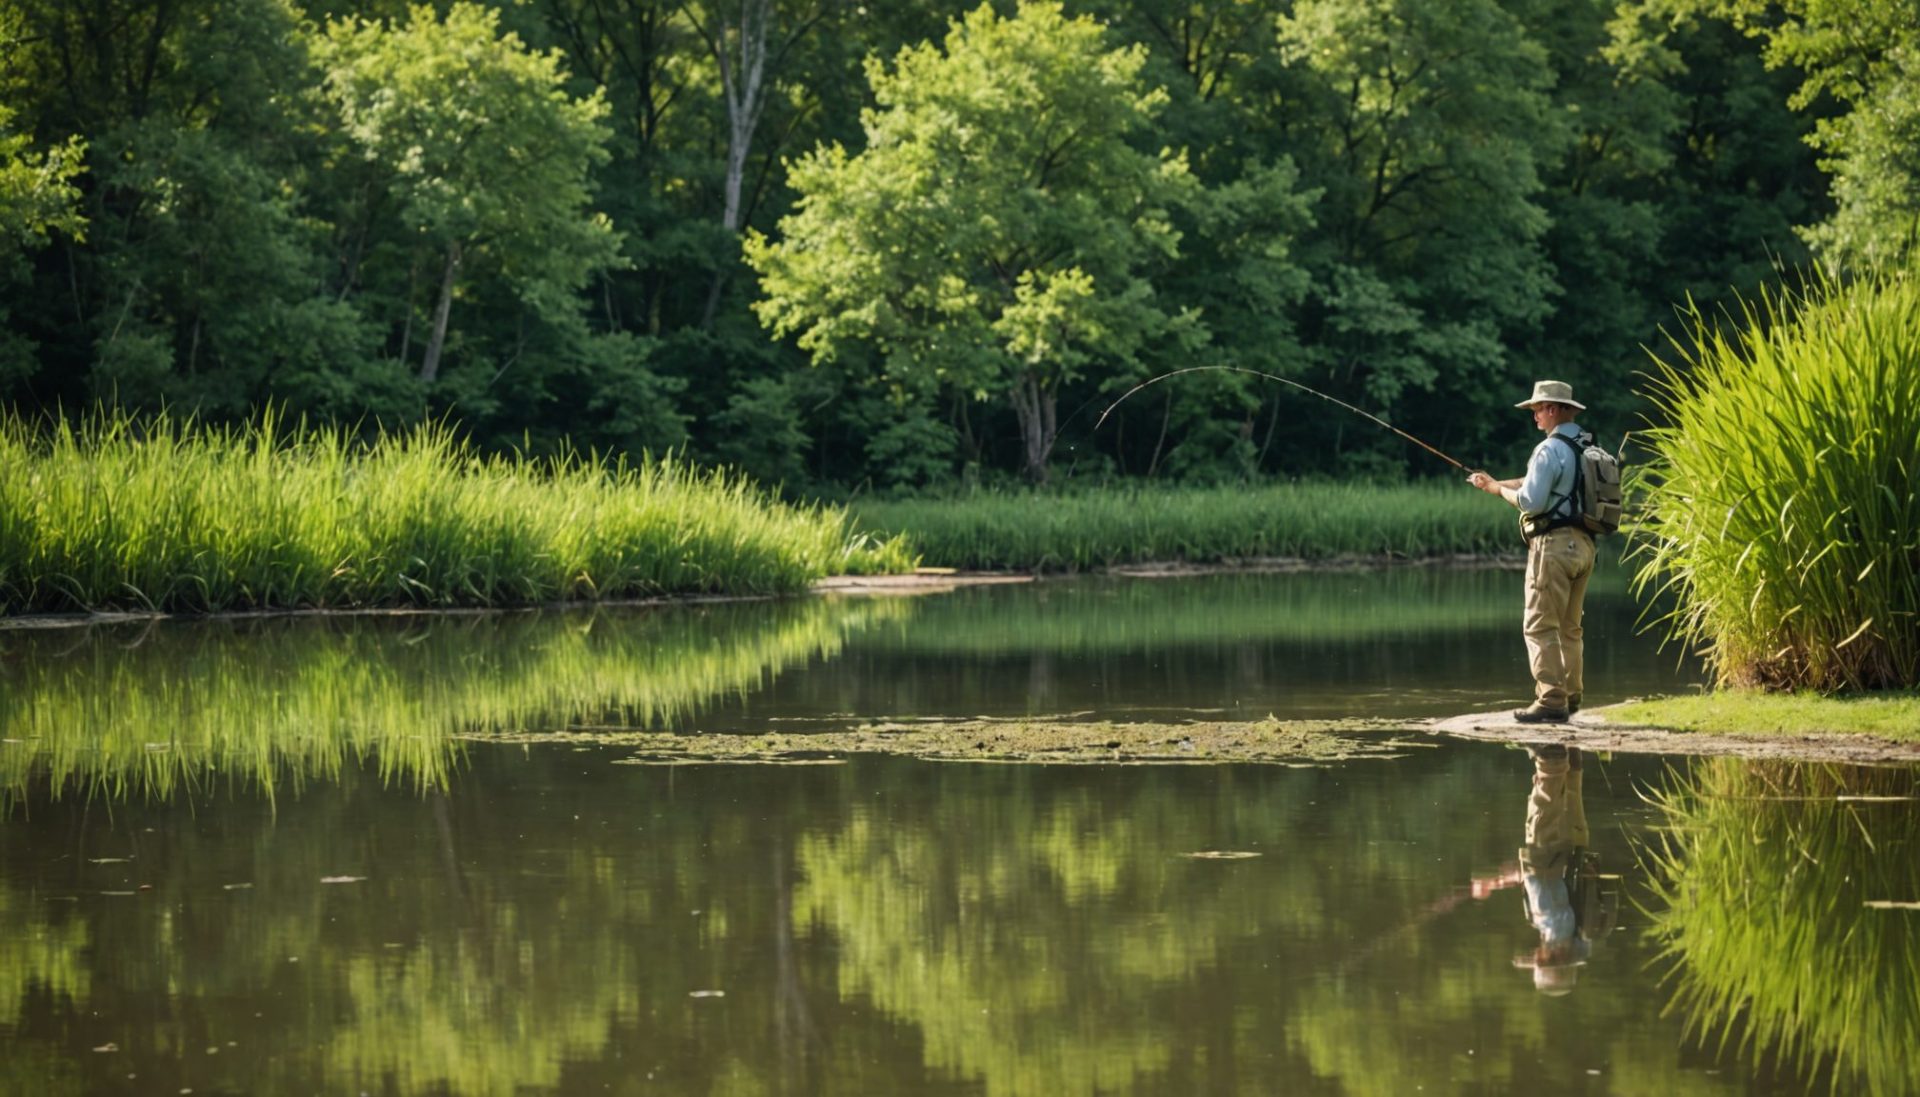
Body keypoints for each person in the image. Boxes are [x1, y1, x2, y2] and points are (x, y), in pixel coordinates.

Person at [1467, 380, 1597, 723]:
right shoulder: (1585, 445)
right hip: (1584, 547)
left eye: (1537, 409)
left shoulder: (1548, 449)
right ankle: (1571, 696)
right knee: (1570, 628)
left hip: (1553, 547)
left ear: (1552, 409)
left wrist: (1498, 492)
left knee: (1539, 626)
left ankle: (1551, 700)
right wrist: (1493, 482)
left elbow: (1531, 500)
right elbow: (1539, 483)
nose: (1535, 416)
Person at [1471, 744, 1610, 996]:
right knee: (1543, 810)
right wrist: (1519, 873)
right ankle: (1551, 755)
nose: (1536, 954)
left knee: (1570, 796)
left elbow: (1552, 895)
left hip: (1567, 854)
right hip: (1547, 858)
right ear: (1557, 956)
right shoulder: (1556, 929)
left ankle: (1569, 748)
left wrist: (1498, 881)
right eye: (1542, 960)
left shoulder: (1576, 933)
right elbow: (1542, 891)